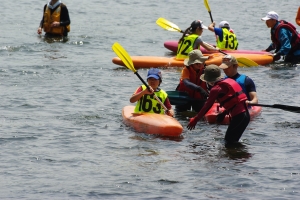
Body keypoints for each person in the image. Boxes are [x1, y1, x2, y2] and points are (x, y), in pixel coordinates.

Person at [187, 65, 250, 144]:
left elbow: (207, 105)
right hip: (245, 115)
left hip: (239, 117)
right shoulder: (228, 81)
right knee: (232, 142)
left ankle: (239, 156)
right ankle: (238, 155)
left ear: (209, 81)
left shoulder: (215, 89)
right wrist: (224, 113)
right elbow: (234, 101)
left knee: (229, 142)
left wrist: (195, 119)